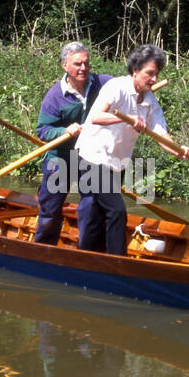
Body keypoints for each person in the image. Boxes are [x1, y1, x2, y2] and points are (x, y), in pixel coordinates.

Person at [74, 44, 189, 256]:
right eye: (150, 74)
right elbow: (96, 117)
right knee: (116, 210)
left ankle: (88, 256)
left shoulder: (150, 101)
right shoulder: (116, 87)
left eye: (156, 75)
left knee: (95, 212)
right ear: (135, 70)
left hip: (116, 162)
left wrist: (179, 150)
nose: (154, 79)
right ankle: (118, 260)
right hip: (92, 157)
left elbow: (160, 134)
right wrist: (128, 120)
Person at [33, 42, 111, 245]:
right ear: (64, 66)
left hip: (89, 157)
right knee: (50, 210)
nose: (83, 68)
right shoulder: (55, 96)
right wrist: (64, 130)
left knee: (92, 205)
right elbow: (42, 130)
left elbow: (125, 87)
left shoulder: (102, 84)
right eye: (77, 64)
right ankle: (42, 249)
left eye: (86, 63)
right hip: (61, 158)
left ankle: (87, 251)